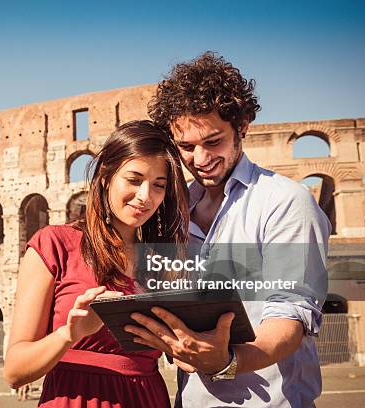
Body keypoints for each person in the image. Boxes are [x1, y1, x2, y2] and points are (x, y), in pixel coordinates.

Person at [125, 51, 330, 407]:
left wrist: (227, 362)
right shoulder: (175, 210)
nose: (200, 159)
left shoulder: (285, 202)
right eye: (186, 147)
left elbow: (290, 317)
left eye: (213, 141)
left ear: (243, 126)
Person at [3, 120, 190, 407]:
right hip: (75, 398)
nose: (145, 196)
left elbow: (182, 356)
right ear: (105, 176)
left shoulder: (165, 260)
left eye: (158, 185)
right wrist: (70, 334)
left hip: (146, 397)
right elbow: (14, 371)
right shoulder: (54, 245)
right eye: (134, 179)